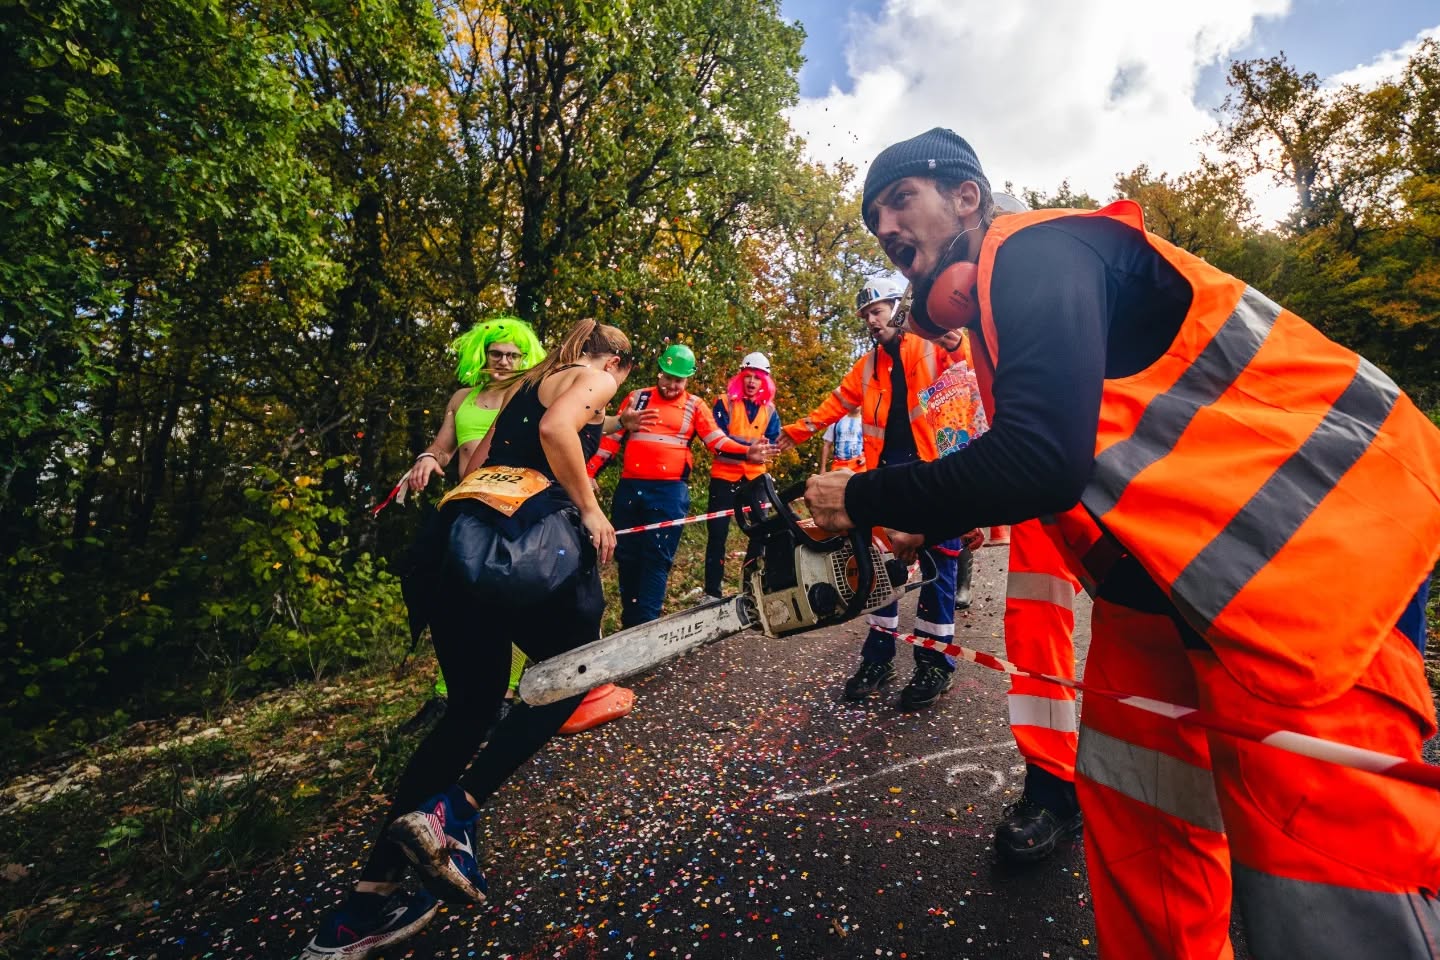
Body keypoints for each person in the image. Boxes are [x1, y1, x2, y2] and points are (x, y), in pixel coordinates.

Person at [803, 127, 1440, 958]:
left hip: (1314, 567)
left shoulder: (1038, 251)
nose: (883, 227)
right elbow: (1063, 455)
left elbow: (1040, 460)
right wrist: (929, 514)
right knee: (1143, 832)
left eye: (899, 201)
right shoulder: (995, 314)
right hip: (1168, 583)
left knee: (1327, 878)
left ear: (967, 196)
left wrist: (862, 494)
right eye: (871, 220)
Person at [303, 320, 636, 960]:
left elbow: (479, 465)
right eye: (619, 377)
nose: (610, 392)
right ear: (616, 362)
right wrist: (591, 510)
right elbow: (556, 431)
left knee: (471, 709)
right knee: (574, 675)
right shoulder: (593, 375)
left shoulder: (519, 385)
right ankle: (452, 813)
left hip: (455, 544)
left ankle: (363, 905)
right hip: (521, 555)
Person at [776, 277, 969, 711]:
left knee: (939, 573)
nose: (870, 320)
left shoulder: (932, 344)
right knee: (878, 573)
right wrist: (793, 433)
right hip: (885, 481)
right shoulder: (866, 366)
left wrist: (955, 345)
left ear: (898, 308)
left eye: (876, 311)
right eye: (865, 315)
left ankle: (935, 665)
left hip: (937, 476)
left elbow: (973, 370)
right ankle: (878, 659)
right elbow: (834, 405)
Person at [400, 317, 547, 731]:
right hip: (466, 512)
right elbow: (444, 448)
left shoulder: (530, 397)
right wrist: (427, 459)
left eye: (512, 355)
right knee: (452, 601)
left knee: (508, 600)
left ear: (525, 359)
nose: (502, 362)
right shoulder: (462, 397)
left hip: (512, 511)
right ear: (481, 356)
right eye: (495, 354)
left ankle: (505, 694)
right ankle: (446, 696)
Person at [587, 344, 775, 627]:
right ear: (659, 372)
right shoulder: (637, 398)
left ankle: (646, 625)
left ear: (688, 380)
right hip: (630, 489)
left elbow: (715, 440)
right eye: (668, 377)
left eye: (679, 380)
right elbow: (610, 441)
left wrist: (746, 452)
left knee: (657, 557)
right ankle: (630, 622)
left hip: (669, 492)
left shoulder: (694, 405)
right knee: (627, 556)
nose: (672, 385)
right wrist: (589, 473)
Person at [703, 351, 781, 600]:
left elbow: (771, 443)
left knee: (760, 533)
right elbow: (717, 440)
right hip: (724, 477)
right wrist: (749, 452)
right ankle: (712, 592)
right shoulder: (723, 402)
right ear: (740, 378)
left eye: (757, 379)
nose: (751, 382)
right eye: (747, 377)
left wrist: (759, 452)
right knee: (717, 535)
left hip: (756, 479)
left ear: (764, 382)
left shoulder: (770, 411)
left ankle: (750, 587)